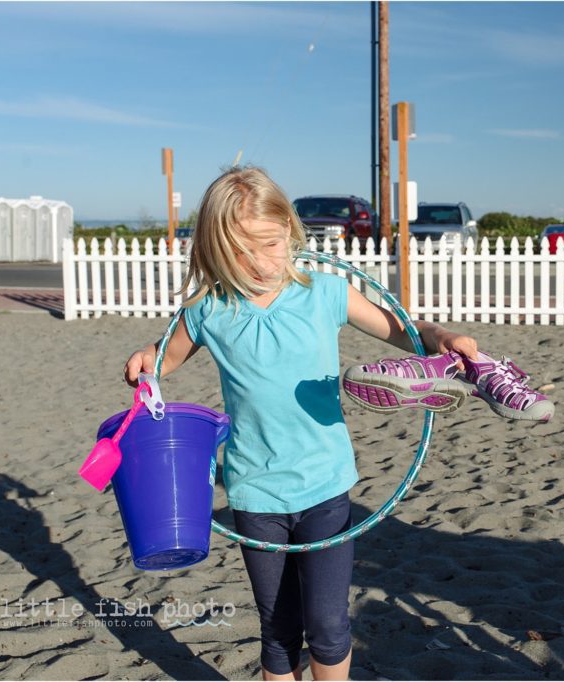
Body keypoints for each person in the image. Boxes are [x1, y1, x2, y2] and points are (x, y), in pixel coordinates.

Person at [122, 166, 479, 681]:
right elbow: (166, 358)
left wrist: (441, 337)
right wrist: (145, 359)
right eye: (240, 252)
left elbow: (401, 331)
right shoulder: (208, 310)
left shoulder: (325, 294)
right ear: (215, 250)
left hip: (325, 485)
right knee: (278, 629)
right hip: (253, 493)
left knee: (329, 625)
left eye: (269, 244)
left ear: (290, 230)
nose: (259, 262)